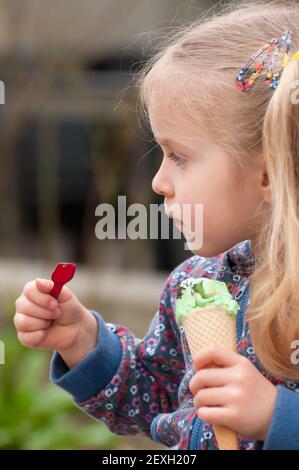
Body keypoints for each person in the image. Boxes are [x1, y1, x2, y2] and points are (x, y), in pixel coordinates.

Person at [14, 1, 299, 450]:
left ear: (267, 172)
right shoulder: (195, 284)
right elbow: (159, 396)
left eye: (179, 156)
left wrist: (278, 417)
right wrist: (85, 341)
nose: (158, 181)